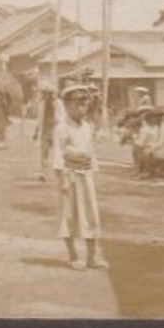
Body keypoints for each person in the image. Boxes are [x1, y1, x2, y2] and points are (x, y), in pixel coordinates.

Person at [52, 84, 107, 270]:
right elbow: (58, 152)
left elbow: (91, 150)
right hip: (69, 176)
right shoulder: (62, 127)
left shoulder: (87, 127)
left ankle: (91, 257)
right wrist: (62, 177)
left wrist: (93, 169)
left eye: (84, 105)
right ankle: (73, 255)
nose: (81, 109)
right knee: (69, 215)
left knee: (91, 214)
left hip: (85, 175)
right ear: (67, 106)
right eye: (76, 105)